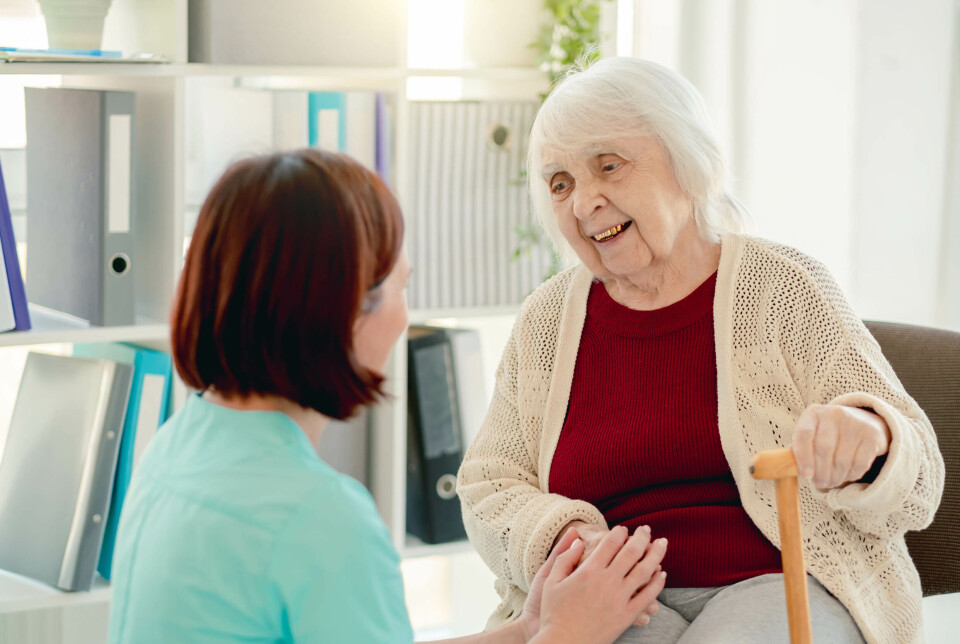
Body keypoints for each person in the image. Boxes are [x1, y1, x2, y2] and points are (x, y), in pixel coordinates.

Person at [456, 56, 944, 644]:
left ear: (689, 163)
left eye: (608, 167)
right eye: (560, 184)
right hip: (617, 601)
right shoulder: (545, 321)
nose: (584, 203)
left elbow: (918, 484)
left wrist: (872, 442)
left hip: (780, 580)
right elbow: (488, 484)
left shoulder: (785, 287)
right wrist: (561, 536)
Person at [106, 148, 669, 644]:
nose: (405, 313)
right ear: (344, 311)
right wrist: (571, 637)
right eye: (402, 285)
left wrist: (525, 632)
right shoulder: (320, 520)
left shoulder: (176, 445)